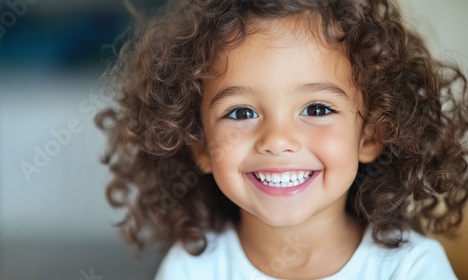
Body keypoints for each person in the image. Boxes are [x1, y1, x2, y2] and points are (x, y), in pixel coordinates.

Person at [95, 0, 468, 278]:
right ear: (201, 145)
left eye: (317, 109)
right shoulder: (194, 269)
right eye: (241, 113)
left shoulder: (411, 268)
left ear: (370, 135)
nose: (277, 140)